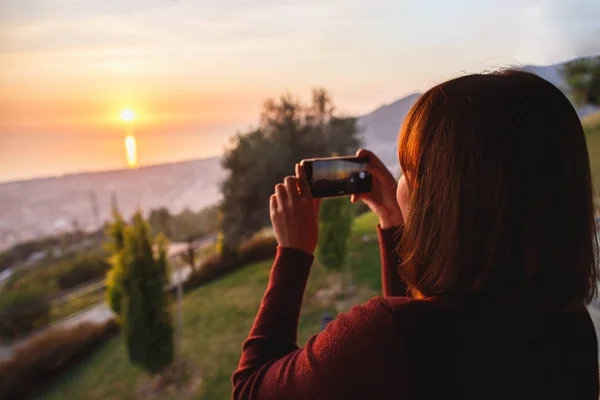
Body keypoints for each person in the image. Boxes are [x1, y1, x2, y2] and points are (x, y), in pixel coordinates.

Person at [231, 70, 600, 399]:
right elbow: (417, 351)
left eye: (409, 170)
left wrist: (293, 253)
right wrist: (394, 221)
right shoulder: (572, 327)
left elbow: (250, 388)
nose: (400, 184)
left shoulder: (378, 338)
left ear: (448, 202)